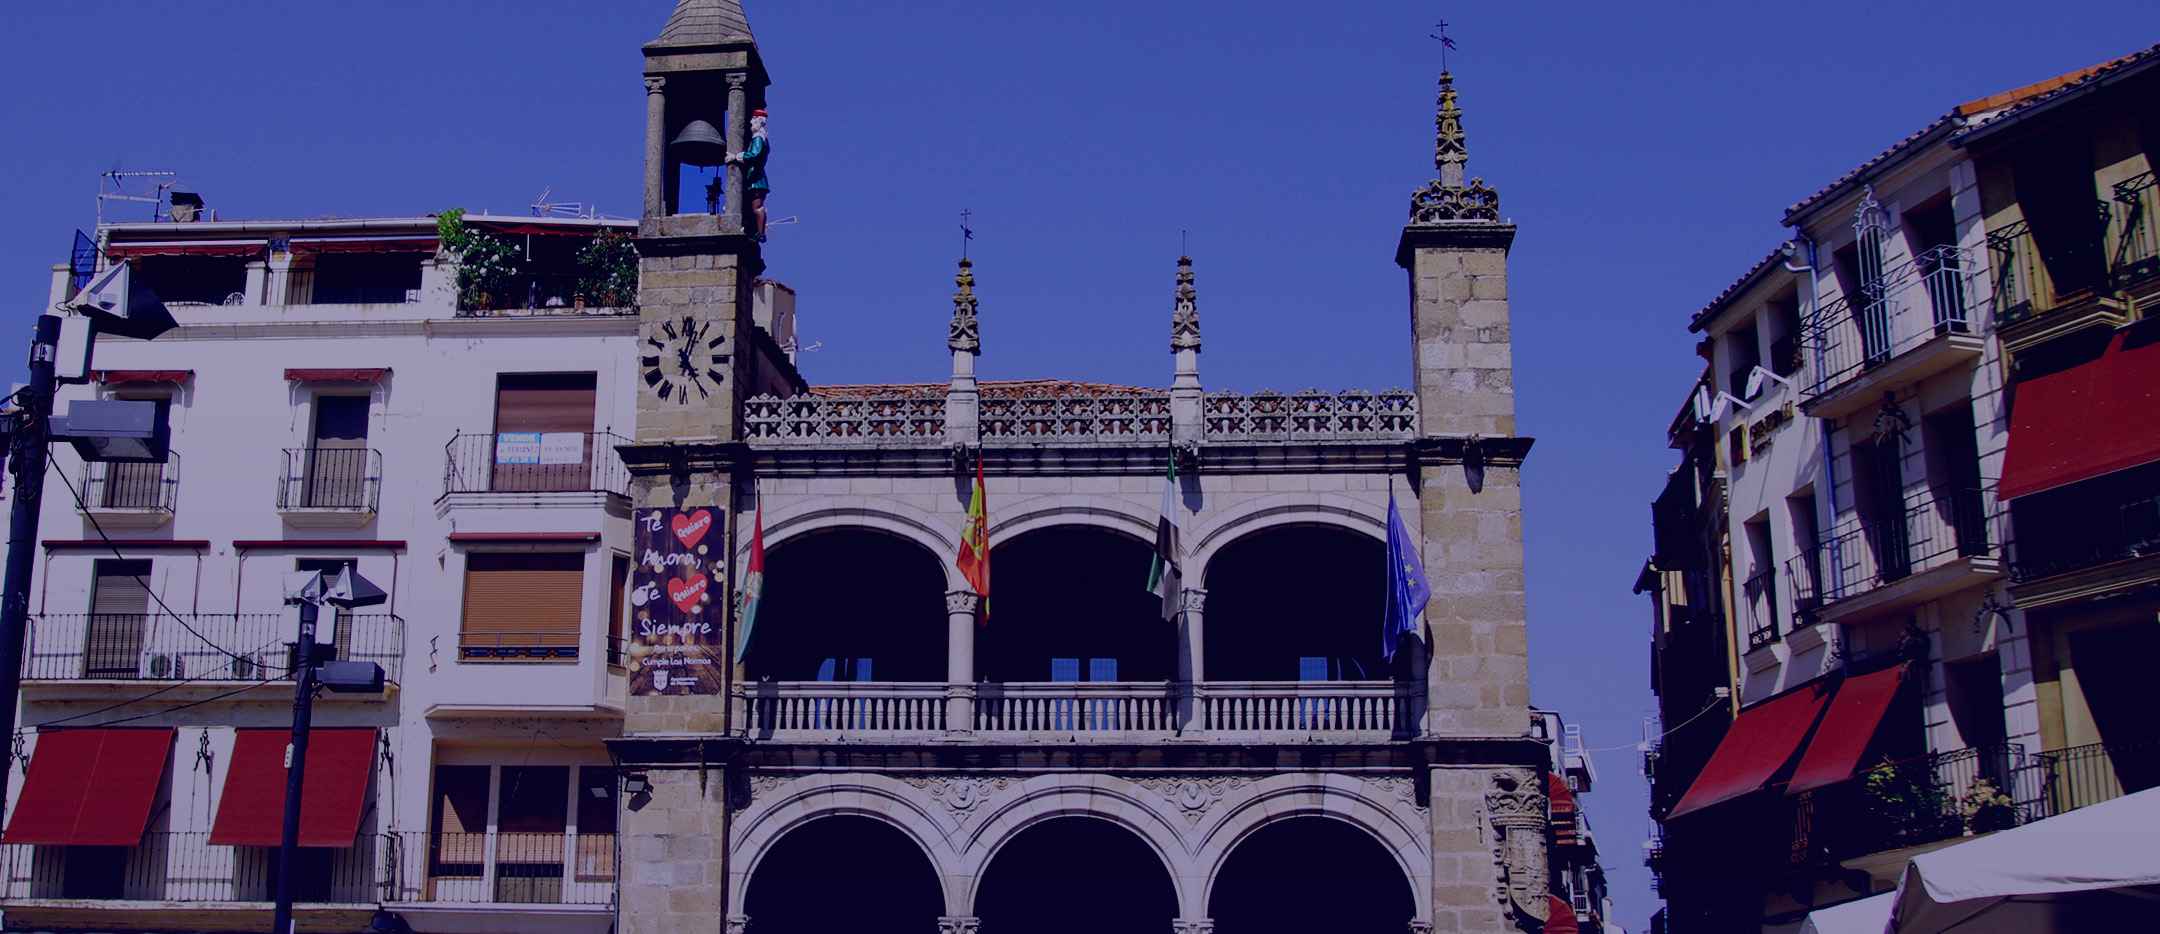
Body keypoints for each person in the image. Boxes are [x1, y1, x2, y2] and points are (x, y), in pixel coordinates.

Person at [727, 109, 770, 242]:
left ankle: (760, 233)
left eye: (753, 118)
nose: (751, 121)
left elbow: (755, 154)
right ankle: (752, 230)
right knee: (751, 206)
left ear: (759, 120)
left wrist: (737, 157)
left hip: (756, 179)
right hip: (754, 177)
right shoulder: (760, 137)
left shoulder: (758, 137)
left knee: (757, 207)